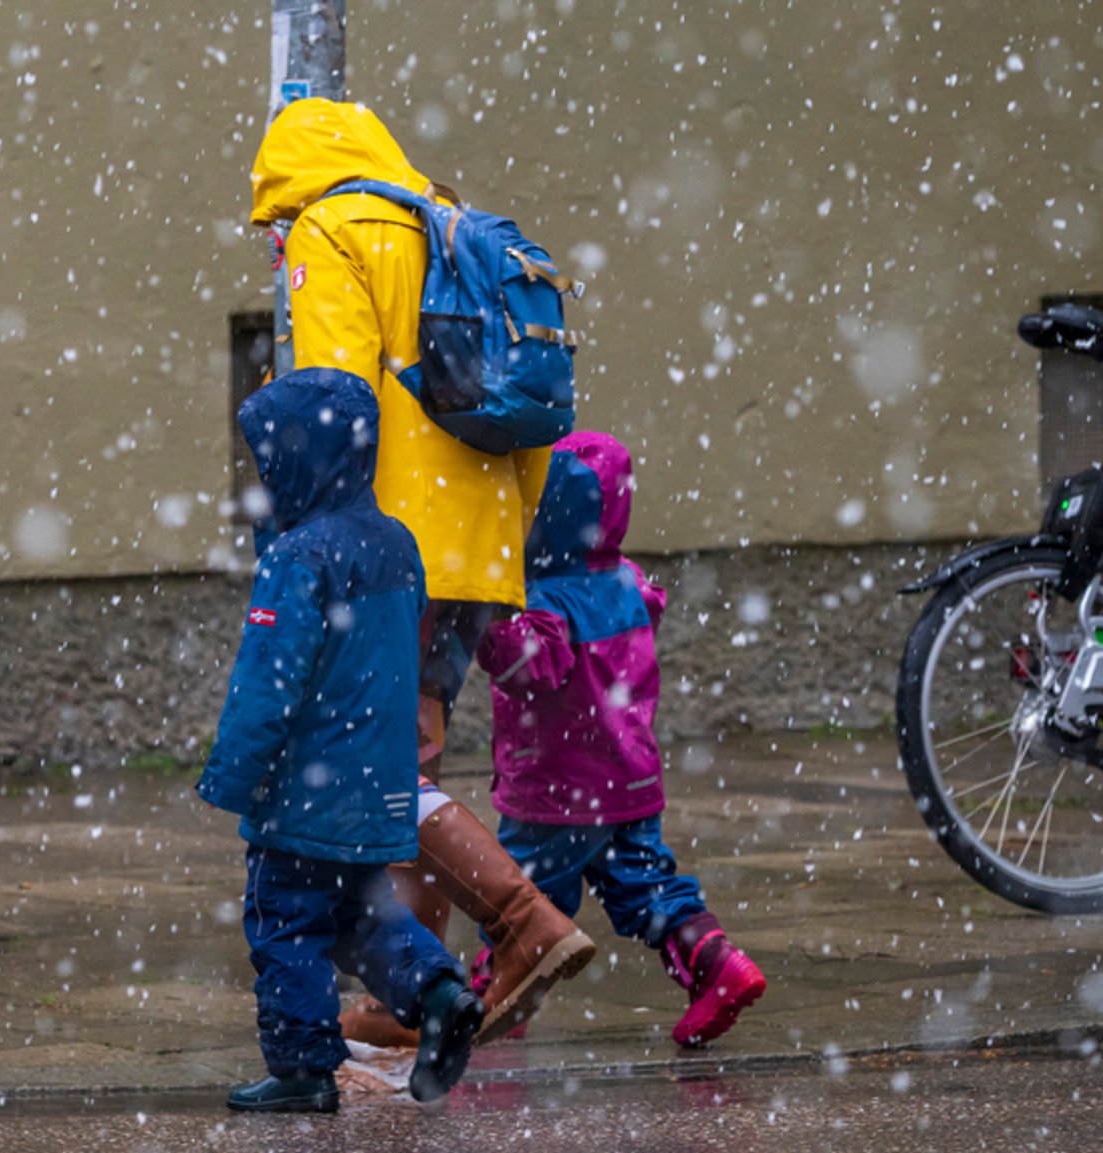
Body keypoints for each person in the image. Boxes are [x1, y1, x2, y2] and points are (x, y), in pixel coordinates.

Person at [248, 98, 595, 1046]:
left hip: (387, 544)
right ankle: (419, 1000)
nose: (277, 245)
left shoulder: (334, 228)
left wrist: (320, 552)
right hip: (477, 539)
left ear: (294, 192)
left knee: (385, 769)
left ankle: (524, 923)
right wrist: (498, 540)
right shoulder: (450, 224)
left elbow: (333, 406)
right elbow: (532, 410)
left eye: (273, 225)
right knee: (414, 756)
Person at [195, 367, 484, 1112]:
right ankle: (442, 990)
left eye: (271, 461)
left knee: (283, 915)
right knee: (360, 912)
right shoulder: (396, 543)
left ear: (301, 459)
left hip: (305, 785)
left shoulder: (299, 558)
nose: (265, 478)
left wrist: (233, 774)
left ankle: (301, 1068)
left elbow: (270, 682)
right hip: (374, 779)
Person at [471, 431, 766, 1047]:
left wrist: (487, 626)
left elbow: (534, 668)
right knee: (646, 884)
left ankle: (492, 1000)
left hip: (557, 790)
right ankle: (716, 964)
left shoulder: (547, 601)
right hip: (629, 781)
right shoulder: (629, 582)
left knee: (521, 898)